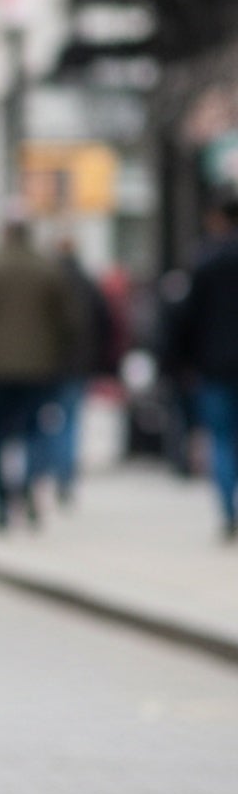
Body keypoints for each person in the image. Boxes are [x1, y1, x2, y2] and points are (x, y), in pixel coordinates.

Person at [0, 219, 82, 531]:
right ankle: (30, 491)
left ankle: (1, 504)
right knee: (34, 432)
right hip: (39, 367)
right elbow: (68, 321)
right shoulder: (47, 269)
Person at [168, 195, 238, 539]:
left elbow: (186, 319)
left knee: (221, 439)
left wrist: (182, 362)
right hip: (215, 365)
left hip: (213, 366)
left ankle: (228, 510)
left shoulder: (205, 262)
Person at [29, 239, 114, 506]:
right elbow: (104, 322)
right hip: (77, 363)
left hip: (46, 363)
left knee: (42, 421)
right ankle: (64, 476)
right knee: (70, 421)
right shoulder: (86, 282)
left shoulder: (44, 281)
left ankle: (40, 472)